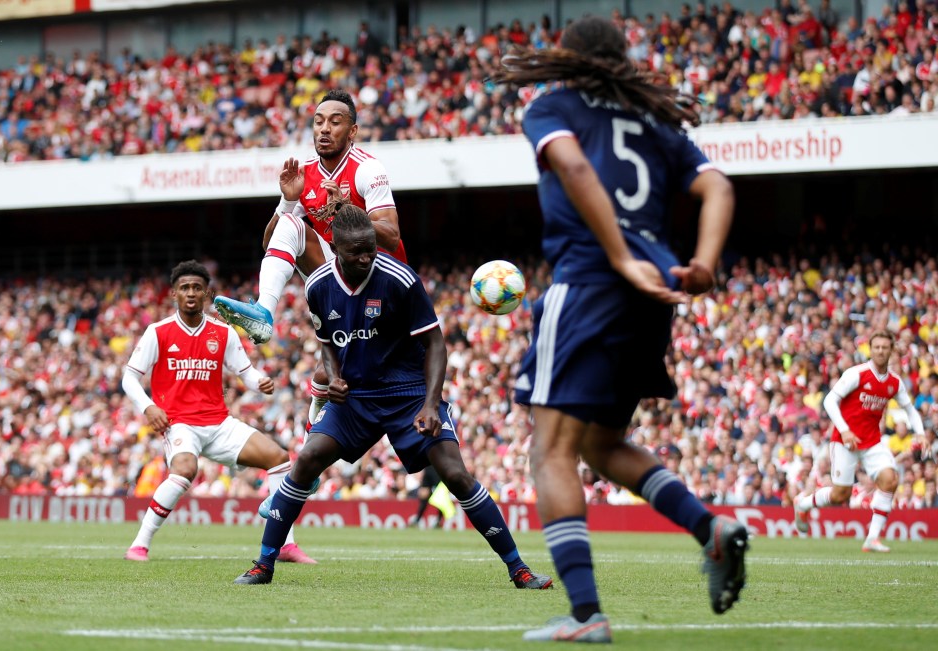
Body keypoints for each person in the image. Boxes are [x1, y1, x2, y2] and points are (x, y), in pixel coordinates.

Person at [494, 15, 745, 643]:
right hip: (655, 294)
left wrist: (617, 254)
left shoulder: (554, 104)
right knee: (600, 447)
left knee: (550, 451)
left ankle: (586, 616)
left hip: (590, 283)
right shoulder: (661, 124)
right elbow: (717, 186)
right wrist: (706, 264)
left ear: (568, 58)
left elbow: (577, 171)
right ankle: (710, 530)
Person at [232, 205, 552, 591]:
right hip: (356, 397)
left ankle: (518, 568)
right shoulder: (317, 286)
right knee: (307, 460)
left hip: (408, 393)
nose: (368, 257)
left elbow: (435, 344)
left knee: (455, 474)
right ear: (334, 246)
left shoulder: (400, 279)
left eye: (370, 248)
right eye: (358, 252)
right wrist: (333, 378)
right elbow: (327, 345)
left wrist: (431, 403)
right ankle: (263, 564)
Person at [214, 88, 406, 429]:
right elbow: (269, 242)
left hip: (381, 279)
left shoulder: (368, 169)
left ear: (352, 131)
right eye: (318, 122)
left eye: (335, 122)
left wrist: (347, 210)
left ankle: (319, 398)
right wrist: (287, 202)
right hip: (340, 273)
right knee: (290, 223)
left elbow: (391, 236)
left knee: (333, 372)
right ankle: (263, 313)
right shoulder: (305, 175)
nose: (324, 129)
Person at [121, 260, 314, 564]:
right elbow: (128, 378)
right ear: (174, 293)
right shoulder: (158, 332)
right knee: (184, 470)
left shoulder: (223, 332)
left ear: (206, 293)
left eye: (197, 287)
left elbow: (245, 372)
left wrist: (258, 382)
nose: (191, 293)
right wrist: (148, 406)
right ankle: (139, 545)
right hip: (180, 424)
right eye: (184, 287)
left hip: (219, 423)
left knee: (279, 460)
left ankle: (284, 545)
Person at [794, 330, 926, 552]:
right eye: (877, 347)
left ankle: (871, 539)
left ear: (891, 350)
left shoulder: (894, 382)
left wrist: (920, 432)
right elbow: (830, 401)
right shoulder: (857, 373)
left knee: (890, 479)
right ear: (870, 349)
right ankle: (804, 504)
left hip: (871, 441)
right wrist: (844, 431)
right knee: (840, 495)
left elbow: (910, 410)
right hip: (845, 441)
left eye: (885, 347)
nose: (881, 351)